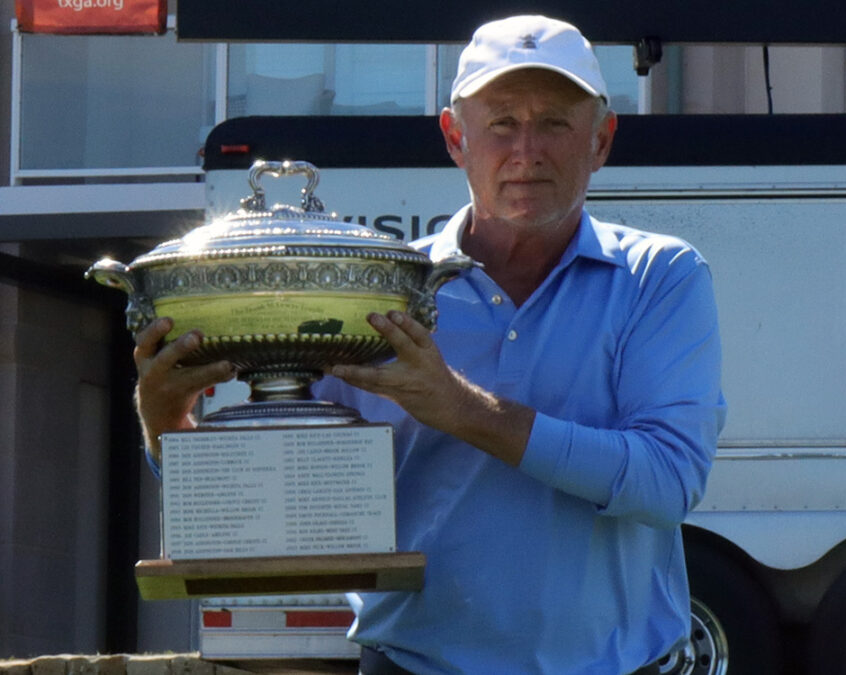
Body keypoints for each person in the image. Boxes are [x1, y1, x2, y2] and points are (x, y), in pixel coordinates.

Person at [133, 14, 725, 675]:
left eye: (555, 121)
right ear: (455, 137)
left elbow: (668, 479)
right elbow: (270, 499)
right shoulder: (371, 296)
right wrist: (166, 422)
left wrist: (463, 409)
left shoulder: (658, 276)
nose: (527, 148)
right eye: (501, 121)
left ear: (601, 139)